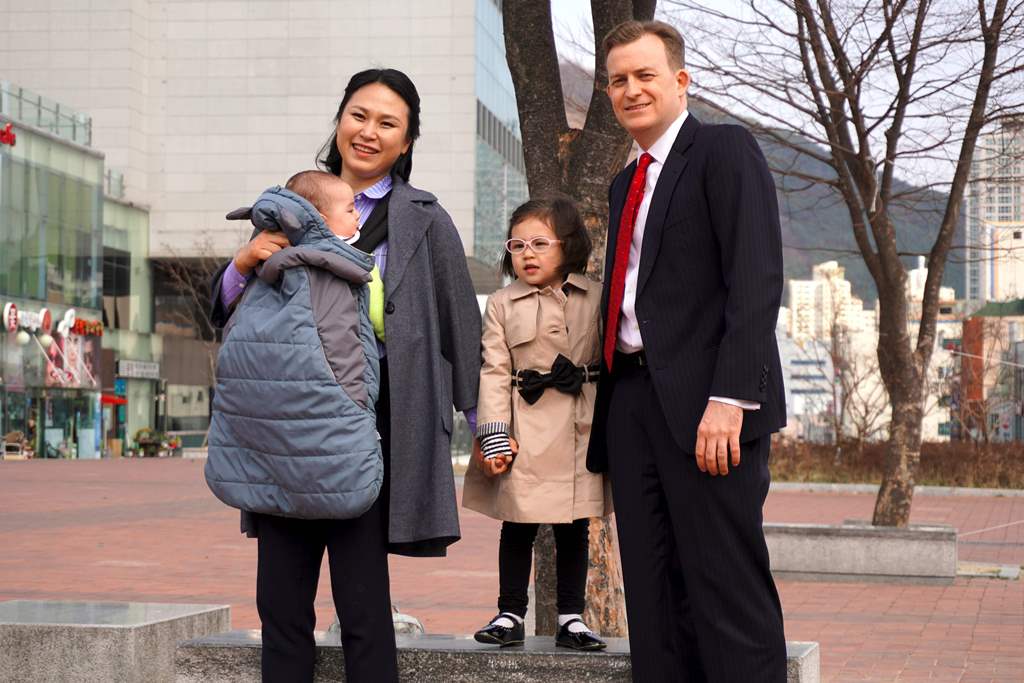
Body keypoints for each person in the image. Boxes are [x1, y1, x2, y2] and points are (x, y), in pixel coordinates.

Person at [208, 69, 482, 683]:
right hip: (287, 427)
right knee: (280, 602)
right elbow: (235, 311)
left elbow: (463, 326)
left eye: (388, 123)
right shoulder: (289, 206)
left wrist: (483, 423)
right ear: (339, 120)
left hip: (371, 426)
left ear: (407, 142)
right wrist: (239, 263)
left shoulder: (424, 219)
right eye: (359, 115)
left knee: (363, 602)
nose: (369, 131)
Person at [586, 20, 788, 682]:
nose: (631, 89)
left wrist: (730, 397)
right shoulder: (626, 182)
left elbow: (754, 280)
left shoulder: (722, 150)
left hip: (710, 406)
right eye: (619, 79)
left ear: (679, 80)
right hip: (634, 403)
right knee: (651, 597)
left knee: (725, 589)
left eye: (645, 75)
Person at [463, 197, 610, 651]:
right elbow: (492, 371)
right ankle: (509, 612)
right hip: (522, 429)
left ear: (568, 247)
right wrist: (493, 437)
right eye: (517, 244)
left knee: (575, 527)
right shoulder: (503, 304)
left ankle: (572, 617)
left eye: (540, 243)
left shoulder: (596, 296)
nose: (526, 253)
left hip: (580, 428)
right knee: (517, 523)